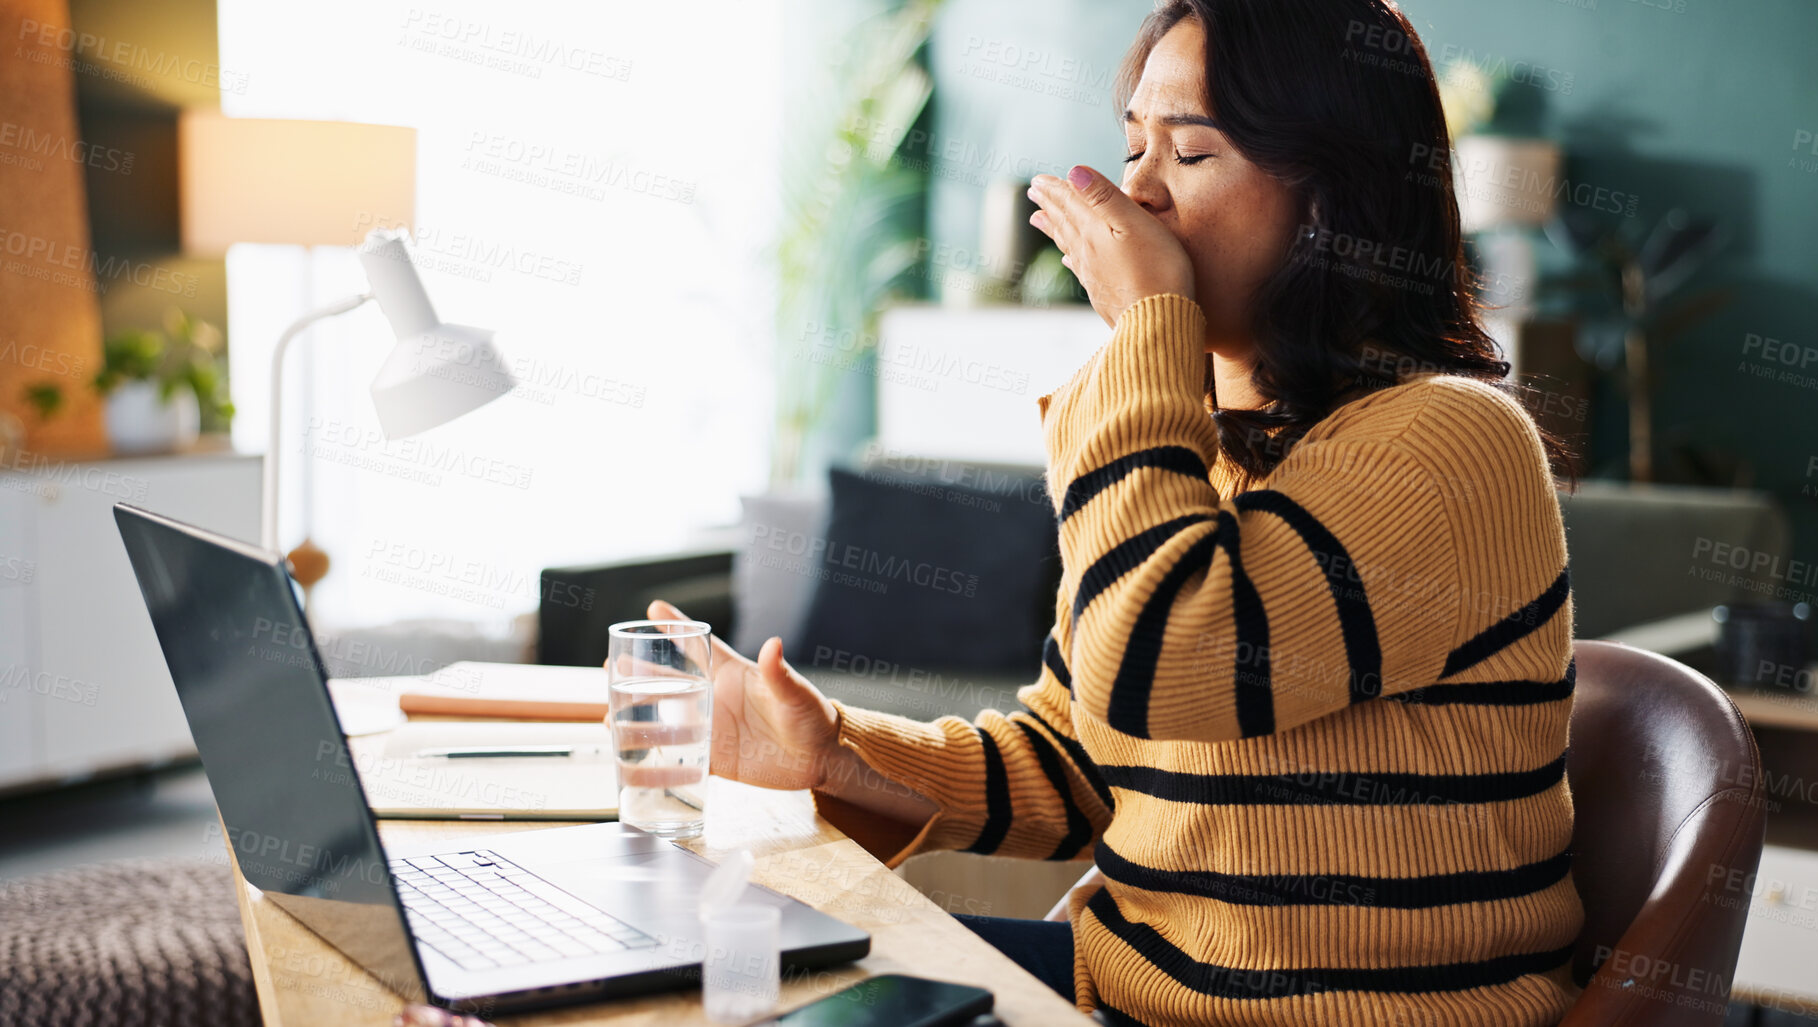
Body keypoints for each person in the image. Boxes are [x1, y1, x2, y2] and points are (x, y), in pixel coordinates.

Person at [651, 1, 1581, 1022]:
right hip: (1124, 991)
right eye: (1133, 145)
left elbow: (1158, 672)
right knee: (707, 968)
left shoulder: (1450, 444)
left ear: (1330, 193)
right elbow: (1073, 763)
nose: (1136, 191)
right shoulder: (1205, 449)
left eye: (1189, 152)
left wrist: (1145, 332)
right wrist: (833, 752)